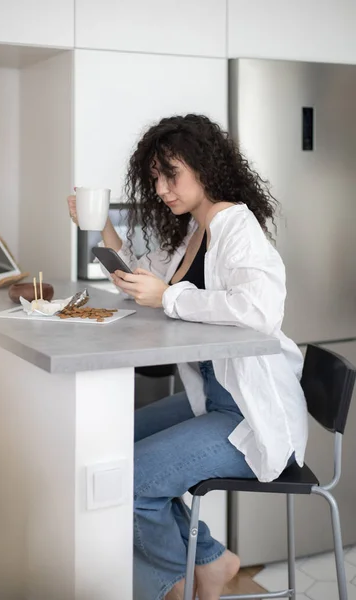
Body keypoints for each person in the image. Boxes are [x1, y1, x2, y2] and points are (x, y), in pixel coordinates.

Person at [67, 114, 308, 600]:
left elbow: (260, 310)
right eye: (155, 177)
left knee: (129, 480)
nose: (161, 188)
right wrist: (99, 232)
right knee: (107, 448)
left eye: (170, 174)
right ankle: (211, 560)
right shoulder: (193, 231)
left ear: (204, 167)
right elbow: (147, 280)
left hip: (247, 410)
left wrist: (170, 298)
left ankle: (175, 585)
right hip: (213, 396)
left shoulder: (236, 226)